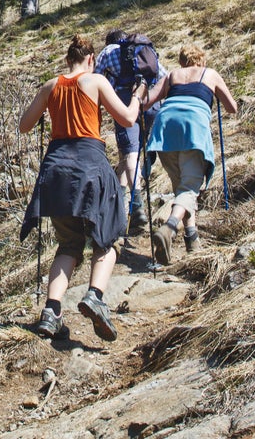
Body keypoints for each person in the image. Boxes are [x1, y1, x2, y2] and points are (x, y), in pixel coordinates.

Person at [19, 33, 148, 343]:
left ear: (68, 60)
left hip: (56, 170)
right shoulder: (96, 81)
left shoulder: (52, 85)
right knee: (108, 237)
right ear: (91, 60)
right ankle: (95, 296)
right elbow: (128, 118)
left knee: (68, 245)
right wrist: (138, 96)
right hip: (90, 165)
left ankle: (51, 311)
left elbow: (24, 125)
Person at [144, 45, 237, 264]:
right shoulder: (210, 74)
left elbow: (147, 102)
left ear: (182, 60)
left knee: (181, 188)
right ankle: (169, 227)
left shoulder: (172, 75)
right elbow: (231, 107)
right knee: (190, 187)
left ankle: (191, 239)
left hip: (165, 129)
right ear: (201, 60)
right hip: (193, 129)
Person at [95, 30, 167, 233]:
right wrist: (150, 97)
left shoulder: (108, 51)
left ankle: (137, 206)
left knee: (130, 155)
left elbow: (95, 79)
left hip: (126, 102)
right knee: (130, 157)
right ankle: (119, 206)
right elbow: (164, 76)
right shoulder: (144, 49)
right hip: (151, 102)